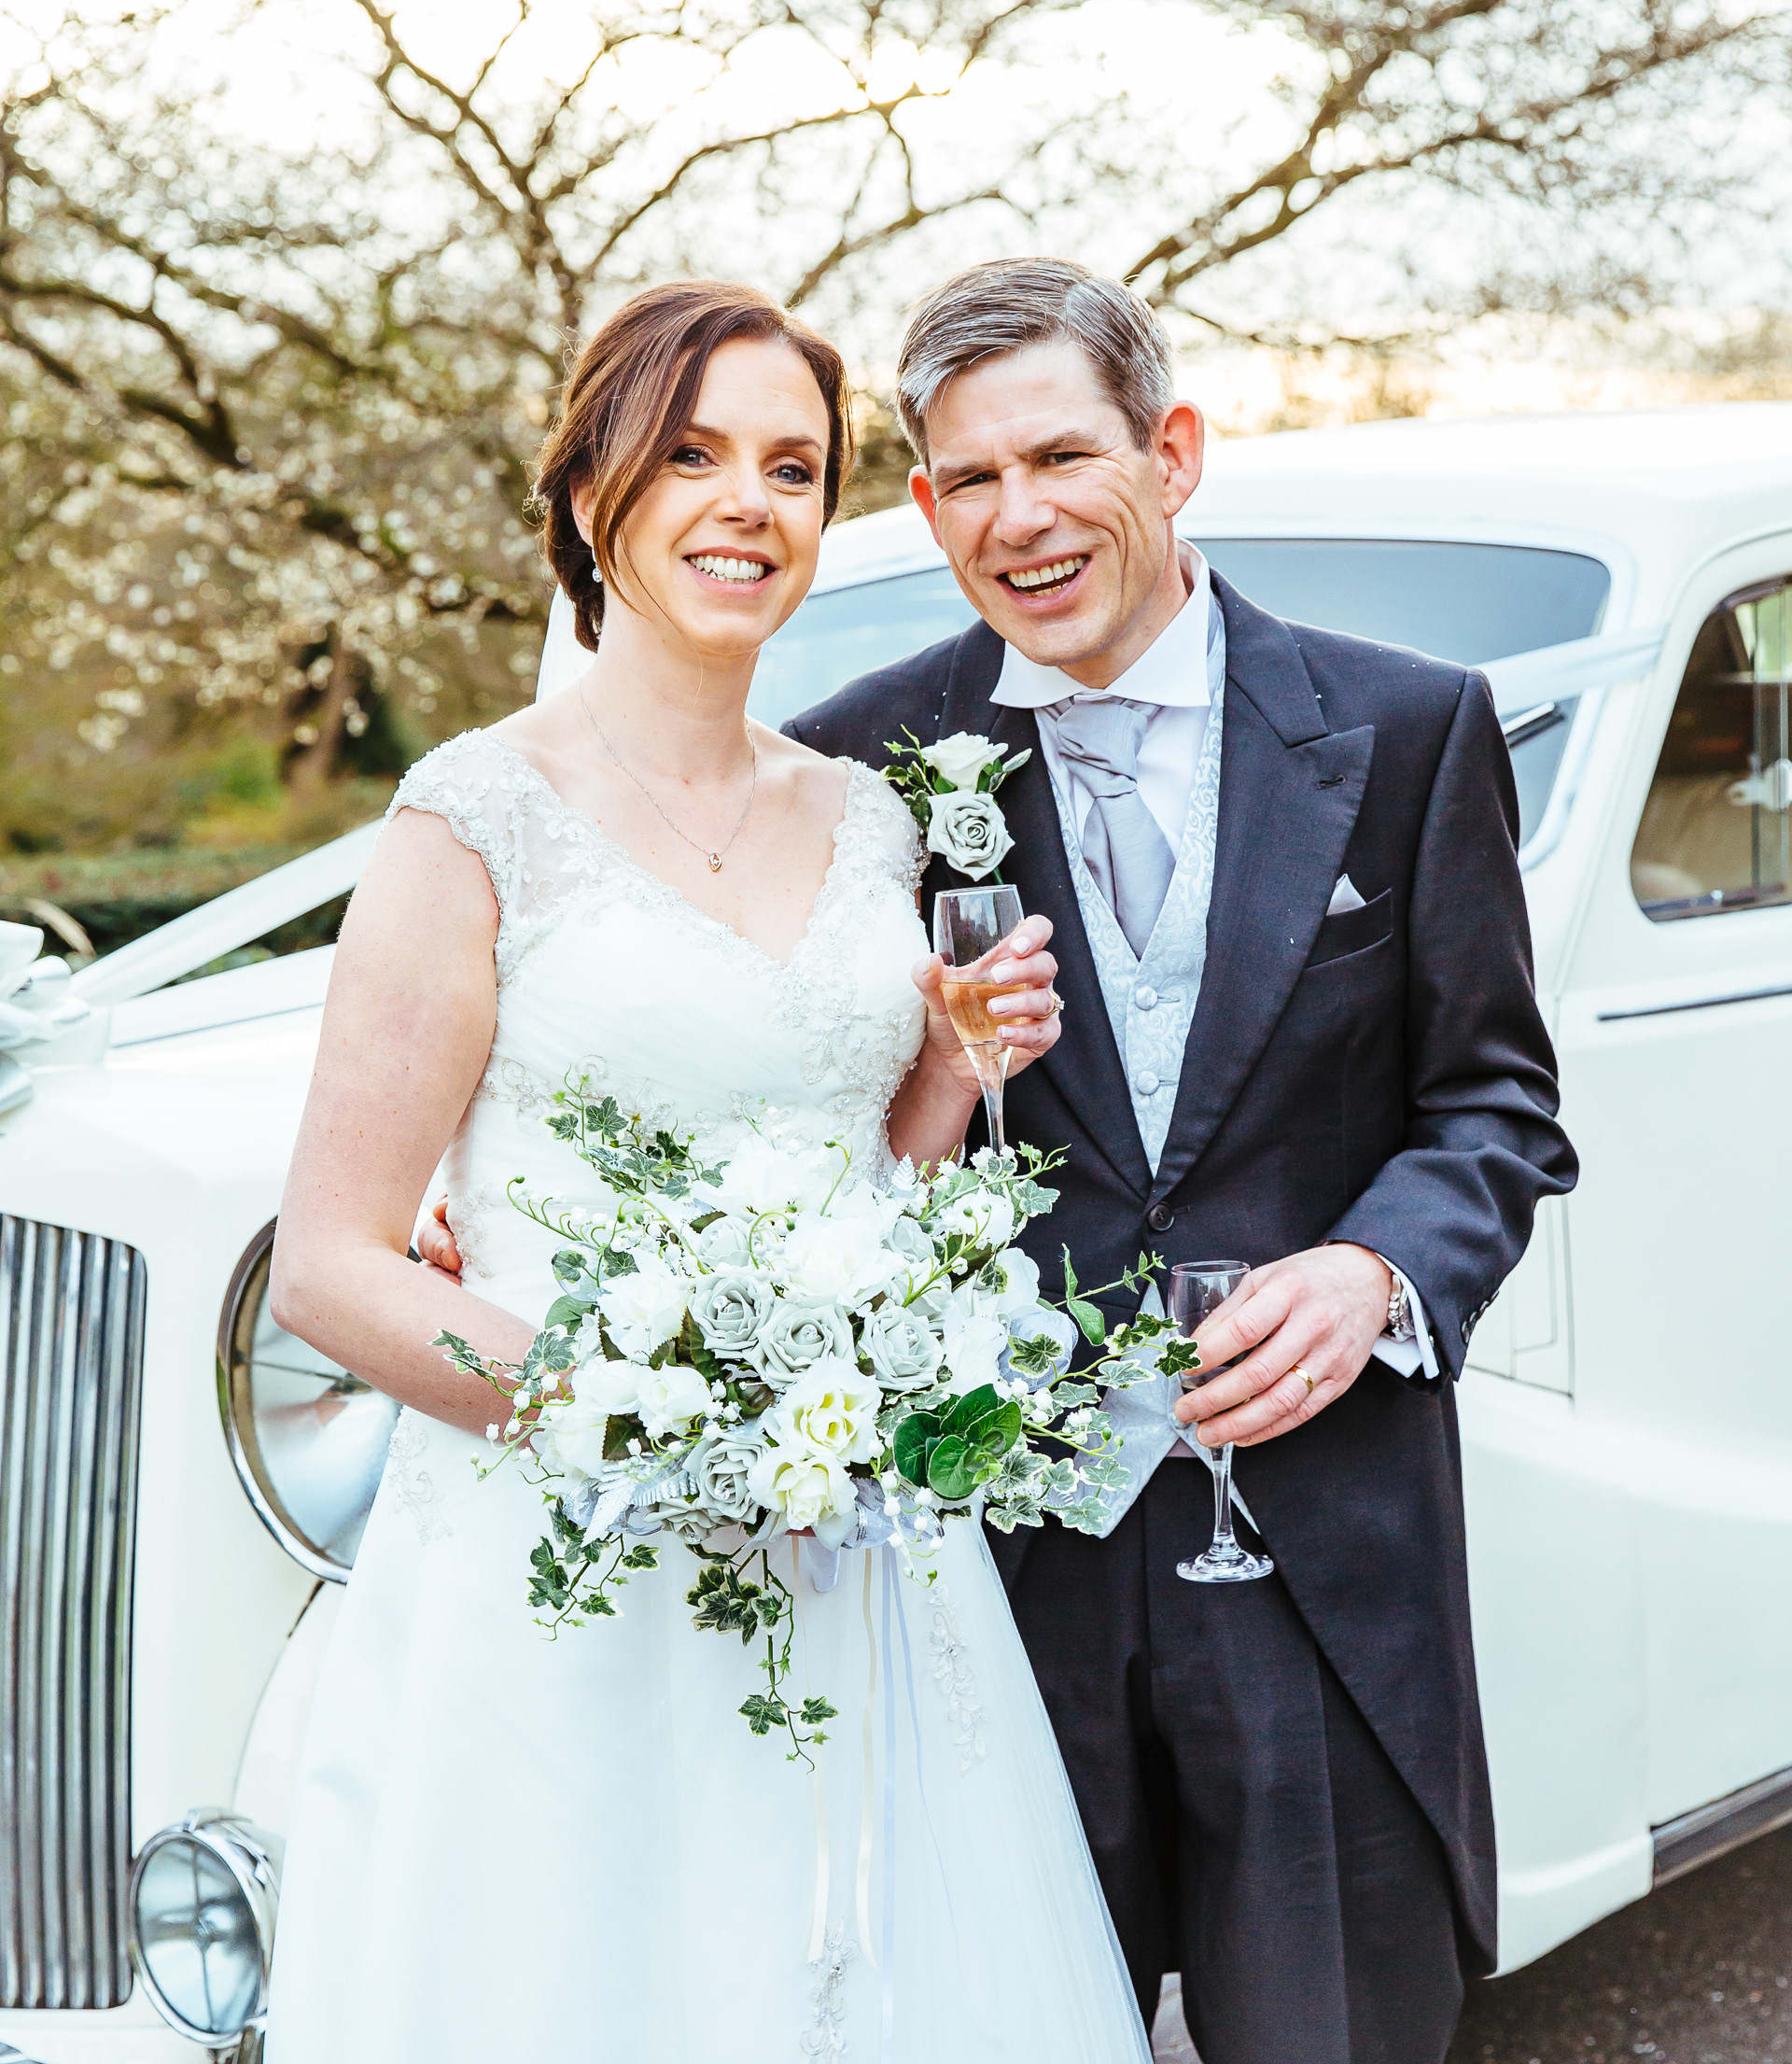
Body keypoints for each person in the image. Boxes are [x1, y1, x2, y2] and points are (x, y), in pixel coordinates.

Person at [263, 280, 1152, 2064]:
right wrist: (644, 1425)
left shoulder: (867, 814)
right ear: (598, 487)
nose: (748, 502)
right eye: (692, 455)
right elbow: (333, 1268)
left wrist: (950, 1075)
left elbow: (865, 1180)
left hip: (854, 1553)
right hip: (562, 1570)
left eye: (794, 468)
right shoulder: (469, 822)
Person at [778, 260, 1579, 2064]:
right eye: (969, 480)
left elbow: (1497, 1107)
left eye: (1063, 456)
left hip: (1317, 1569)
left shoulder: (1406, 730)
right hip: (989, 1569)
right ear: (924, 506)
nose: (1022, 517)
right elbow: (787, 1115)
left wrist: (1376, 1272)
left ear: (1176, 452)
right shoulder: (861, 768)